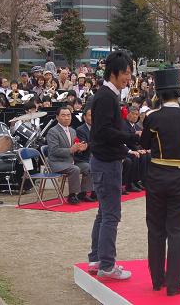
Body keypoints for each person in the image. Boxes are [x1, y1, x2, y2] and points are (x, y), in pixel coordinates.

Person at [140, 68, 180, 296]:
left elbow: (143, 143)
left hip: (156, 175)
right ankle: (174, 285)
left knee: (155, 229)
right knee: (177, 231)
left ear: (159, 94)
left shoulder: (152, 117)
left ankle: (157, 280)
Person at [88, 51, 139, 280]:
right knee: (111, 215)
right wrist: (128, 137)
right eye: (126, 73)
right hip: (106, 163)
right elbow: (103, 131)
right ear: (115, 72)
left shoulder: (108, 95)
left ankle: (97, 258)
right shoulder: (107, 96)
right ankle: (107, 265)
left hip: (104, 160)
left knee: (103, 213)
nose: (128, 78)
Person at [46, 107, 92, 204]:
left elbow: (74, 148)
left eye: (68, 115)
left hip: (70, 161)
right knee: (75, 169)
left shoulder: (72, 131)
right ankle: (72, 195)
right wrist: (71, 150)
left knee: (88, 166)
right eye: (63, 115)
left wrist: (80, 149)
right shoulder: (53, 131)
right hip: (57, 162)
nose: (67, 118)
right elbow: (54, 151)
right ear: (57, 117)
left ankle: (83, 193)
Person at [75, 106, 97, 201]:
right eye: (90, 115)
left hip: (95, 155)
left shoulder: (97, 128)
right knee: (91, 166)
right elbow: (84, 146)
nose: (93, 118)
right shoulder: (80, 130)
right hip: (82, 158)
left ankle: (96, 191)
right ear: (84, 117)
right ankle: (83, 193)